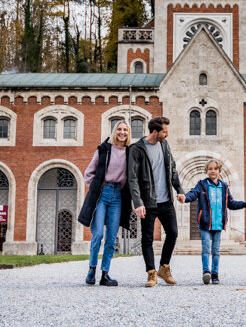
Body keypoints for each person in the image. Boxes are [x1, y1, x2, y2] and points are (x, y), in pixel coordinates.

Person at [127, 116, 186, 287]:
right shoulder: (136, 149)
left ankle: (164, 267)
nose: (167, 135)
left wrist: (179, 190)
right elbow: (132, 179)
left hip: (166, 200)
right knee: (147, 238)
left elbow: (172, 169)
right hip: (148, 202)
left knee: (173, 233)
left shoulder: (164, 145)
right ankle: (151, 273)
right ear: (155, 132)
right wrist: (138, 202)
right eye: (165, 132)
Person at [77, 119, 132, 287]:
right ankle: (91, 269)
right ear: (115, 131)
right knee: (98, 234)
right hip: (102, 193)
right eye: (119, 129)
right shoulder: (103, 149)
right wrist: (96, 188)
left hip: (118, 196)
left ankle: (105, 274)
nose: (122, 132)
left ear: (128, 133)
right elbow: (88, 173)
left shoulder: (130, 152)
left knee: (111, 238)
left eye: (125, 130)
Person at [183, 159, 246, 285]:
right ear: (206, 171)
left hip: (218, 224)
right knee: (206, 249)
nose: (213, 171)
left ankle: (215, 274)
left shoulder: (224, 187)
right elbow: (193, 194)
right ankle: (206, 272)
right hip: (205, 224)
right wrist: (185, 198)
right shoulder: (201, 185)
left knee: (216, 251)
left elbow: (231, 203)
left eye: (215, 169)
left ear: (219, 171)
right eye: (210, 169)